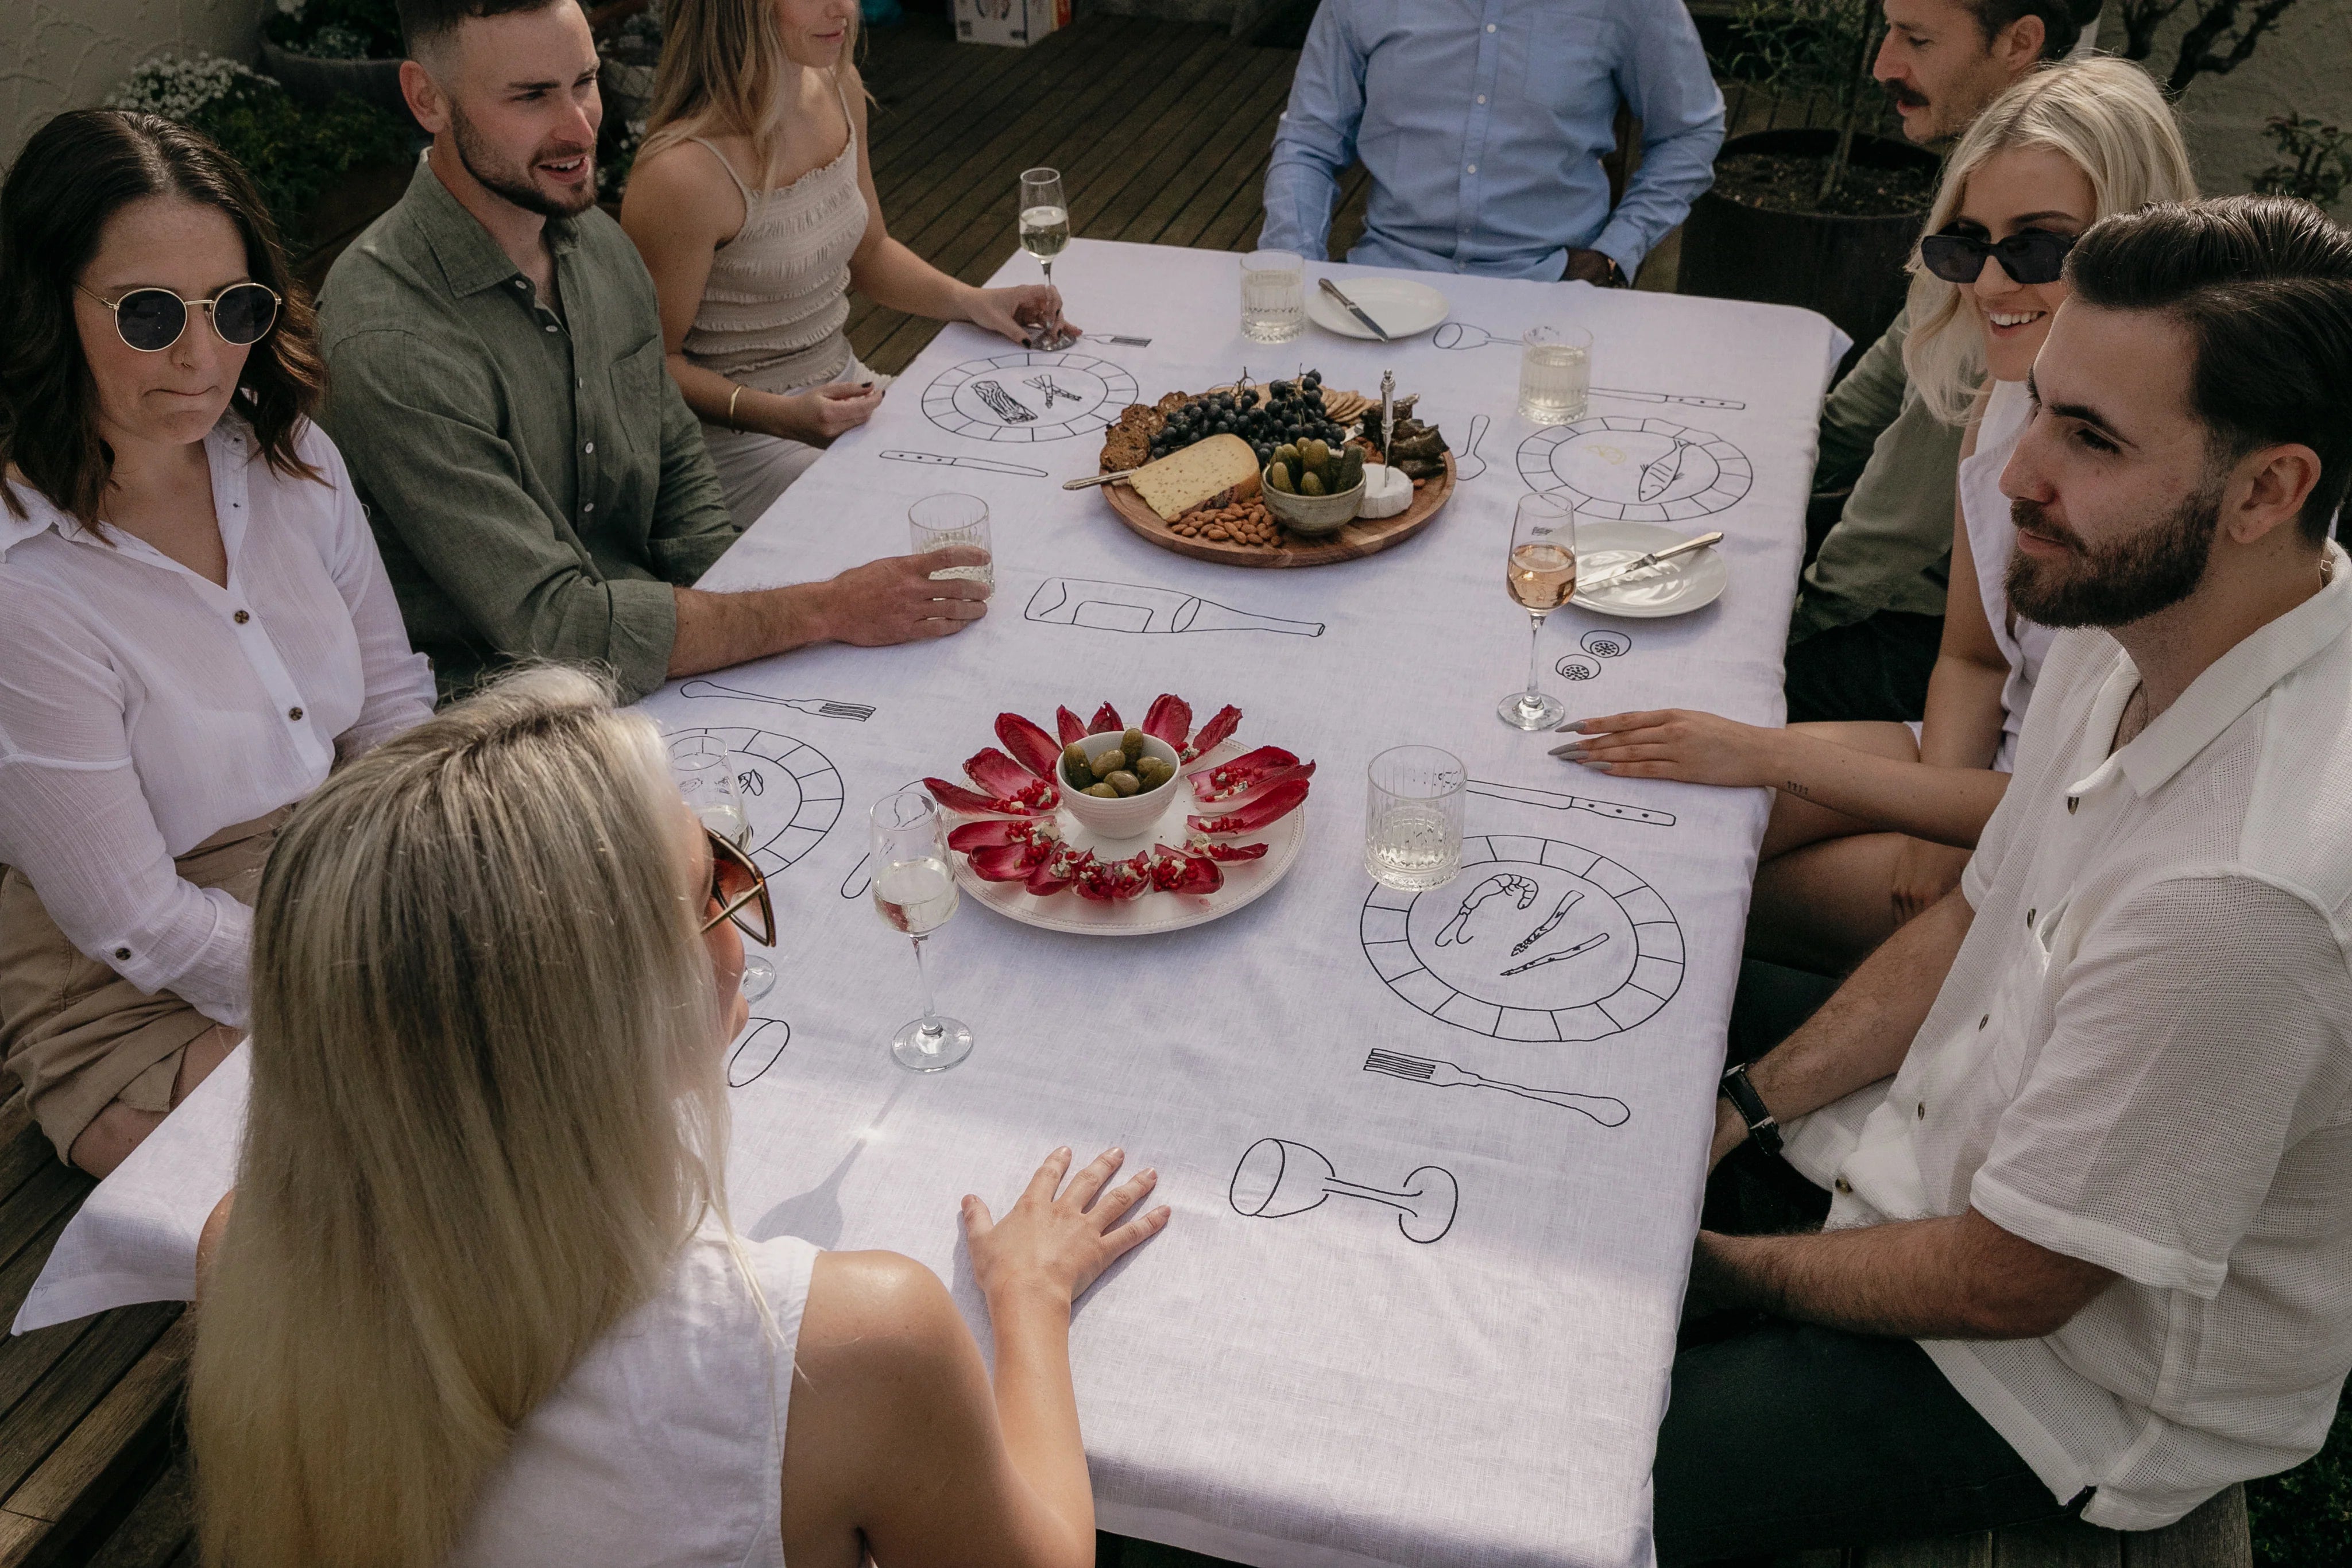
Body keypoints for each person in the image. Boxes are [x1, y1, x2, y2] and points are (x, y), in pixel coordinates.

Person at [1650, 195, 2352, 1561]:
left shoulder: (2243, 895)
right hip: (1912, 1164)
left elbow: (2014, 1281)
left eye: (2089, 439)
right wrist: (1739, 1111)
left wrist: (1714, 1274)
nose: (2020, 471)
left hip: (2048, 1392)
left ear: (2266, 490)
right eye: (2042, 408)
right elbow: (1978, 912)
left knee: (1580, 1480)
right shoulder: (2145, 596)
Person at [189, 667, 1170, 1568]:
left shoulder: (249, 1253)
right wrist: (1030, 1302)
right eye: (710, 893)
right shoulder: (846, 1346)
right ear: (599, 1016)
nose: (740, 932)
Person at [1561, 60, 2195, 974]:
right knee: (1662, 822)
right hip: (1985, 765)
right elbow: (1975, 658)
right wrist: (1928, 808)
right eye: (1965, 243)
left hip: (2071, 828)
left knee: (1698, 894)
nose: (1987, 282)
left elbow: (2082, 795)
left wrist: (1779, 758)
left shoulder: (2174, 478)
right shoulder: (2003, 402)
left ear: (2138, 240)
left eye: (2038, 247)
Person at [319, 0, 990, 706]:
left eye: (584, 81)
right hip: (506, 726)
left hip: (665, 666)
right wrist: (821, 610)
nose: (580, 128)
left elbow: (681, 479)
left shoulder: (597, 246)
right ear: (427, 99)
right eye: (531, 96)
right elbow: (554, 625)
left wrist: (758, 633)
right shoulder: (389, 338)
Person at [0, 111, 434, 1178]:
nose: (202, 357)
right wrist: (369, 978)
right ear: (43, 308)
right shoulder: (23, 585)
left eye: (234, 307)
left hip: (340, 884)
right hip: (138, 998)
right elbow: (133, 916)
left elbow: (387, 703)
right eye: (148, 314)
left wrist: (427, 880)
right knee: (442, 1145)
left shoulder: (295, 460)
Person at [621, 0, 1076, 528]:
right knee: (920, 524)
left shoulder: (837, 86)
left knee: (1016, 479)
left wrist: (974, 301)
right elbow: (654, 366)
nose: (846, 9)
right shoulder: (679, 174)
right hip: (745, 446)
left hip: (849, 396)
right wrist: (784, 418)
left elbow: (870, 252)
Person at [1786, 0, 2104, 725]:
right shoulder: (1993, 187)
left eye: (1917, 39)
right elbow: (1882, 387)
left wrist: (1795, 630)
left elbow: (1897, 526)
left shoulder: (2023, 272)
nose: (1884, 64)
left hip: (1937, 629)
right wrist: (1787, 478)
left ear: (2020, 43)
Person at [1257, 0, 1725, 285]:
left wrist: (1616, 253)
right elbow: (1310, 140)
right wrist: (1291, 269)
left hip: (1552, 285)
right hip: (1389, 280)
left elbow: (1691, 130)